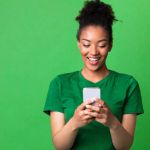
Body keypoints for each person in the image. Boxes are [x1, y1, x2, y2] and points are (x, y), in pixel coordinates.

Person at [43, 0, 144, 150]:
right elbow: (60, 147)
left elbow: (124, 147)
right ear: (78, 44)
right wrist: (75, 122)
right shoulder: (60, 84)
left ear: (110, 45)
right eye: (86, 44)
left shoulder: (128, 84)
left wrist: (112, 122)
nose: (94, 52)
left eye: (102, 45)